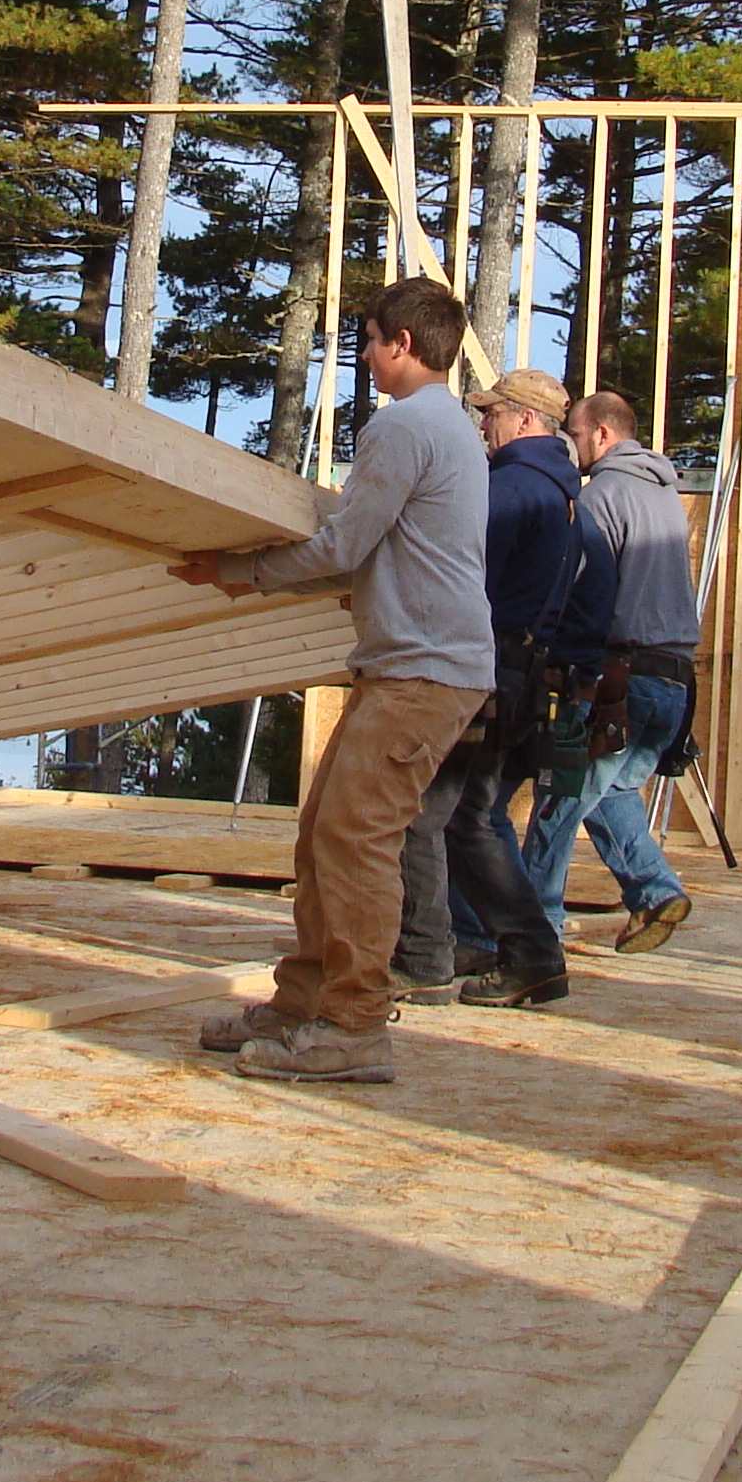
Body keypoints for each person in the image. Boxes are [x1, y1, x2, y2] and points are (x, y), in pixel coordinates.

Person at [170, 277, 492, 1083]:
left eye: (371, 341)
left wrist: (238, 570)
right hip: (414, 665)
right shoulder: (448, 426)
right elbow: (366, 554)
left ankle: (352, 1027)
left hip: (424, 670)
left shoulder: (404, 426)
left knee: (355, 840)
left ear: (402, 343)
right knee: (326, 833)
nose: (366, 356)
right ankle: (305, 1004)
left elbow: (342, 546)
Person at [388, 366, 579, 1010]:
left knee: (431, 814)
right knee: (469, 818)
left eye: (493, 413)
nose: (482, 424)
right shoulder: (560, 491)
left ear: (525, 420)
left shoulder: (516, 489)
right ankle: (516, 954)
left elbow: (459, 574)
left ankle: (432, 957)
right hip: (518, 675)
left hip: (487, 673)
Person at [530, 389, 696, 952]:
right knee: (612, 792)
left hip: (622, 677)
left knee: (559, 801)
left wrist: (556, 654)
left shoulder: (602, 495)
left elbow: (586, 590)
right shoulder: (665, 493)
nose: (571, 446)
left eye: (576, 435)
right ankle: (655, 891)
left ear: (602, 434)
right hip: (674, 682)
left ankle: (535, 933)